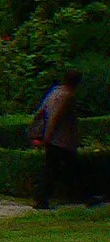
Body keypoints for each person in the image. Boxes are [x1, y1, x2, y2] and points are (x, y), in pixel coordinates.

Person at [28, 69, 83, 211]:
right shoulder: (67, 96)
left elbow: (41, 112)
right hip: (61, 140)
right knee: (70, 168)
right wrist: (47, 137)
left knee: (53, 170)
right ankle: (83, 196)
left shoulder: (54, 92)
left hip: (55, 140)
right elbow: (55, 118)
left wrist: (37, 131)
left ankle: (42, 199)